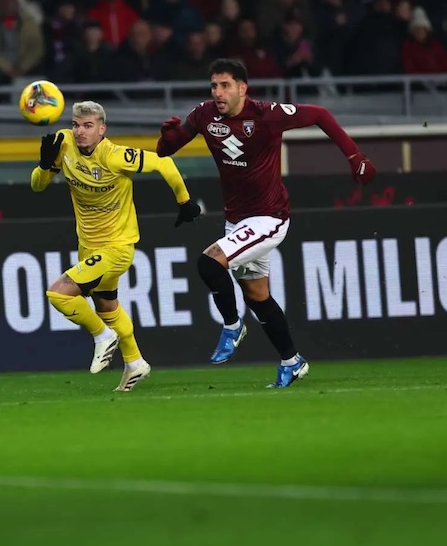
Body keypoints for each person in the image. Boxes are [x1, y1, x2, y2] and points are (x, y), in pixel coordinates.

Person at [156, 58, 376, 388]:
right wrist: (168, 135)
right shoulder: (204, 114)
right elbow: (166, 150)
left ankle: (232, 326)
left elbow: (320, 114)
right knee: (257, 296)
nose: (218, 92)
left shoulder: (266, 115)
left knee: (208, 263)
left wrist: (355, 156)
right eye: (214, 85)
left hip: (269, 217)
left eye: (225, 85)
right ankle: (292, 361)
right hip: (238, 221)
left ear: (243, 88)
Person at [31, 100, 202, 392]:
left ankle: (101, 336)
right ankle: (135, 362)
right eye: (76, 125)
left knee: (58, 293)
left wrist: (184, 201)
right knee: (107, 306)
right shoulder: (64, 144)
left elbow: (165, 162)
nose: (80, 131)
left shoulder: (115, 156)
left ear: (102, 129)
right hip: (88, 246)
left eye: (88, 126)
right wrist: (46, 166)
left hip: (117, 247)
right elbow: (37, 186)